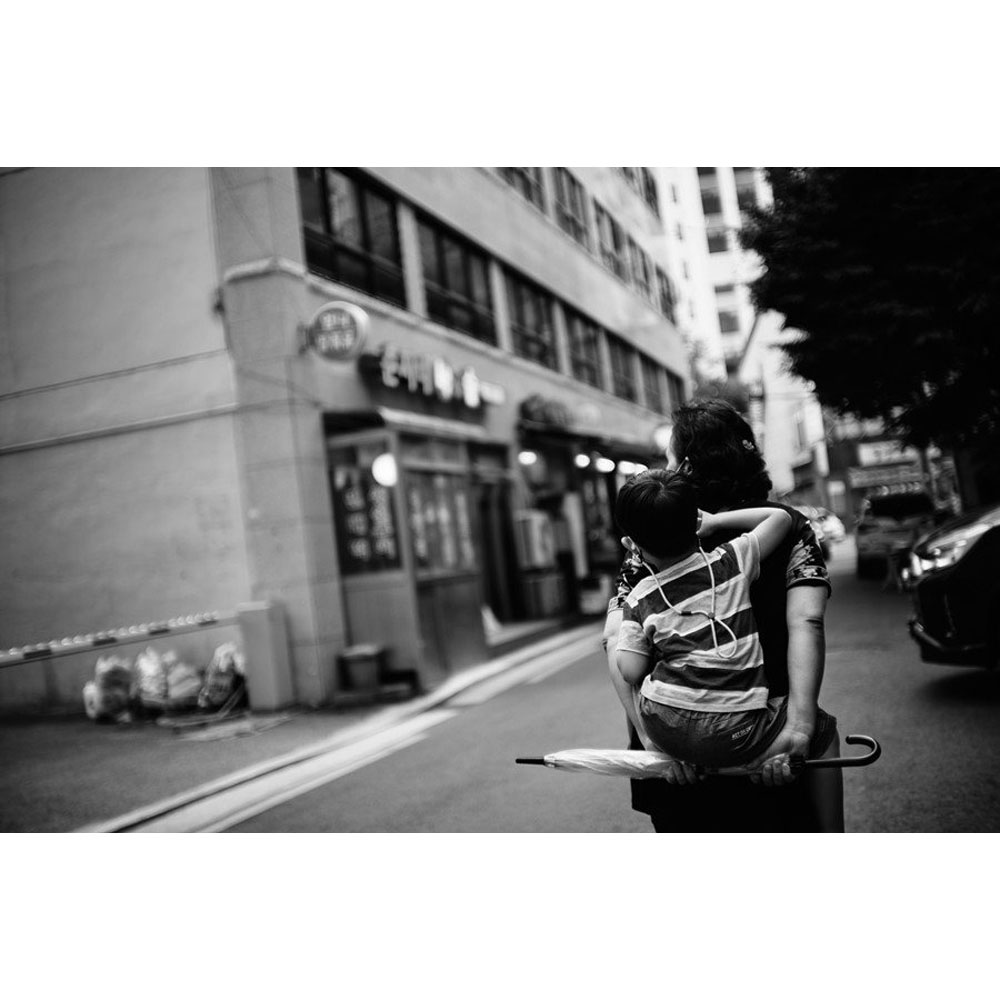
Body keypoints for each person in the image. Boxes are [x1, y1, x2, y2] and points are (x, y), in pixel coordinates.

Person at [603, 399, 844, 833]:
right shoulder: (786, 527)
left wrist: (651, 739)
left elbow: (616, 639)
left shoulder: (655, 534)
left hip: (674, 752)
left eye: (670, 457)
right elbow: (807, 621)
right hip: (762, 736)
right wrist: (799, 728)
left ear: (686, 465)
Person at [612, 470, 838, 791]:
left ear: (631, 544)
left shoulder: (638, 597)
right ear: (695, 522)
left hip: (665, 730)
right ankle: (762, 758)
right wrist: (716, 522)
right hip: (735, 733)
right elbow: (781, 519)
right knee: (821, 727)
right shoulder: (731, 561)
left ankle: (703, 760)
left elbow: (630, 670)